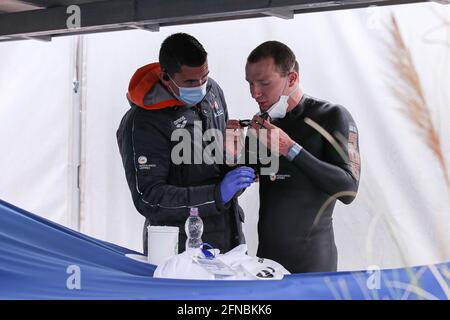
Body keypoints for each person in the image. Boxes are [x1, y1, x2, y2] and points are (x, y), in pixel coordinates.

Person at [226, 41, 361, 273]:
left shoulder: (332, 115)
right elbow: (238, 185)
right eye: (250, 83)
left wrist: (291, 149)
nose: (254, 93)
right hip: (267, 263)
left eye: (264, 83)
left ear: (292, 78)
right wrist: (232, 154)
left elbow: (348, 190)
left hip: (313, 264)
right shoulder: (263, 124)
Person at [116, 33, 255, 255]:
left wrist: (233, 158)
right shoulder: (142, 123)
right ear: (165, 76)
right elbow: (150, 198)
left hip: (229, 238)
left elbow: (216, 163)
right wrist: (217, 194)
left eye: (205, 77)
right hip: (179, 248)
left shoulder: (213, 93)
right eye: (190, 81)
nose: (200, 86)